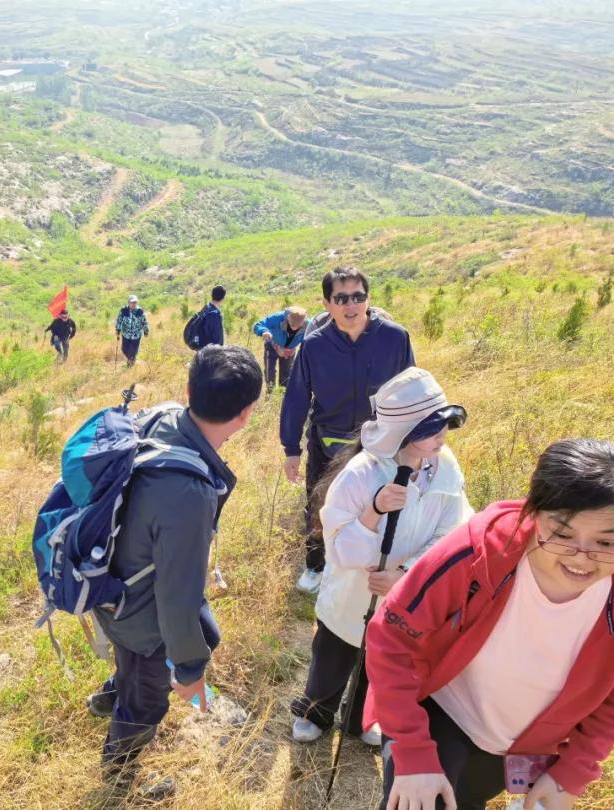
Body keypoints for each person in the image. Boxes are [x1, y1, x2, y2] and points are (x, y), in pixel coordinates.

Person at [367, 438, 614, 810]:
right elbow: (391, 636)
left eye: (606, 543)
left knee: (468, 800)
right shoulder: (478, 553)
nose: (582, 559)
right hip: (436, 711)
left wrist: (572, 772)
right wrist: (412, 752)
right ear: (532, 511)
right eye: (562, 534)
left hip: (517, 747)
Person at [92, 345, 263, 799]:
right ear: (246, 414)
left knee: (206, 635)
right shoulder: (188, 493)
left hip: (115, 579)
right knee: (146, 702)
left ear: (189, 390)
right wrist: (188, 672)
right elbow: (177, 599)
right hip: (138, 615)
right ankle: (118, 777)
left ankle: (114, 693)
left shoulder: (163, 417)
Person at [289, 367, 472, 749]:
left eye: (445, 424)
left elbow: (452, 532)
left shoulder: (446, 467)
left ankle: (359, 719)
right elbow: (341, 549)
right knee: (333, 657)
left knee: (378, 661)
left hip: (404, 595)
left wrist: (405, 574)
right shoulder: (361, 474)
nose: (442, 434)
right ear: (402, 432)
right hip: (351, 594)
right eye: (432, 427)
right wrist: (374, 510)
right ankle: (315, 712)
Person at [280, 266, 414, 595]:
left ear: (368, 298)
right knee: (321, 506)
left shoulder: (395, 338)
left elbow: (412, 391)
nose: (351, 305)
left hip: (382, 444)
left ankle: (370, 565)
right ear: (327, 304)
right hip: (328, 444)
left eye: (358, 296)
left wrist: (416, 444)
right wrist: (291, 449)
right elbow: (297, 397)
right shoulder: (314, 346)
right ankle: (316, 565)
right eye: (341, 298)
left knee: (379, 504)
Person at [253, 305, 308, 390]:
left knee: (286, 375)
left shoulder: (308, 324)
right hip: (272, 346)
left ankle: (282, 393)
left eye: (298, 326)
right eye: (292, 325)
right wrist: (264, 331)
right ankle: (270, 392)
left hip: (289, 352)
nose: (294, 329)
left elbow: (313, 338)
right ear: (288, 317)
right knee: (269, 372)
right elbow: (258, 325)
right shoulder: (277, 318)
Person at [187, 285, 226, 350]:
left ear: (212, 295)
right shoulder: (214, 315)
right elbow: (217, 339)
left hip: (202, 348)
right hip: (210, 351)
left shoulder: (207, 307)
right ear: (223, 298)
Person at [116, 295, 150, 367]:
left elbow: (144, 322)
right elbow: (119, 321)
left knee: (132, 351)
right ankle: (132, 359)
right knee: (124, 350)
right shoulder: (124, 310)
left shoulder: (140, 311)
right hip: (126, 334)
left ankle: (130, 364)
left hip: (136, 335)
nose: (134, 304)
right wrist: (118, 330)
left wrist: (146, 330)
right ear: (128, 303)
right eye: (132, 302)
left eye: (135, 302)